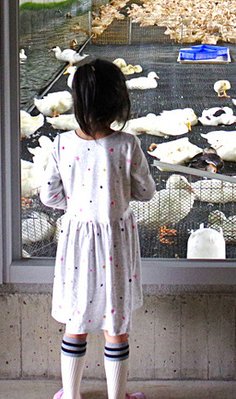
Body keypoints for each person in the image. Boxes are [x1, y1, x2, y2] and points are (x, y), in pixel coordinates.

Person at [40, 59, 156, 399]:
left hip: (76, 241)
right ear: (119, 102)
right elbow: (146, 192)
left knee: (75, 321)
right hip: (115, 245)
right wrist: (118, 196)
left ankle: (71, 395)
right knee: (115, 324)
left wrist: (77, 206)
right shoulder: (127, 145)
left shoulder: (61, 144)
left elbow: (49, 195)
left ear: (77, 102)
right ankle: (117, 396)